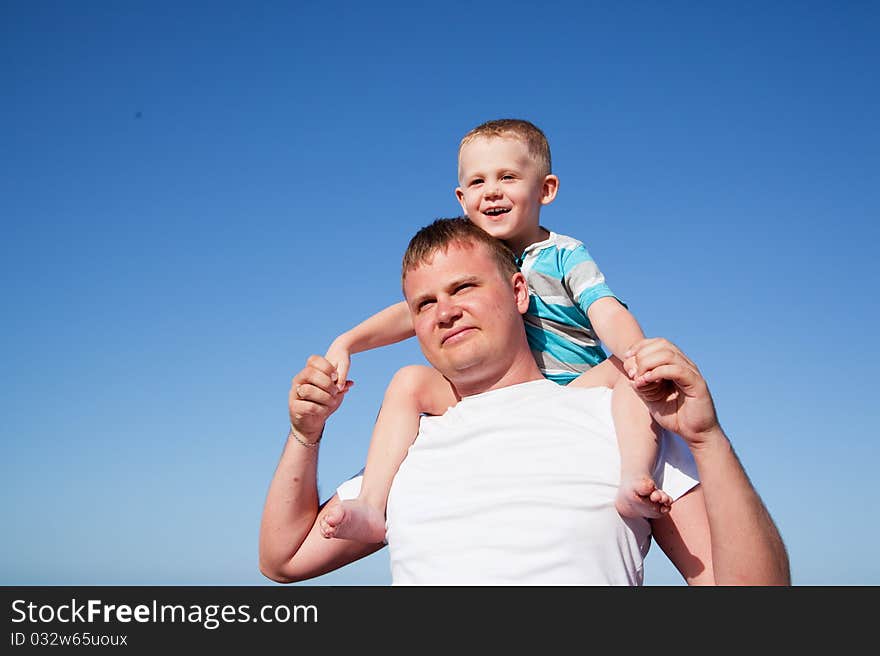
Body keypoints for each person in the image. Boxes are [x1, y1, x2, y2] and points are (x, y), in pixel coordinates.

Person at [259, 217, 790, 585]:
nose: (445, 312)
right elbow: (283, 559)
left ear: (519, 292)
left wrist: (706, 438)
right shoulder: (406, 442)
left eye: (464, 287)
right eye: (425, 303)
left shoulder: (624, 415)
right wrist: (306, 435)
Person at [321, 119, 668, 545]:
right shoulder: (474, 260)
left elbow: (604, 308)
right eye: (478, 181)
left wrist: (637, 352)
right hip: (499, 396)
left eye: (508, 177)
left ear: (546, 189)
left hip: (574, 388)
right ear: (462, 199)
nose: (492, 190)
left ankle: (633, 475)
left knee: (626, 373)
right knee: (409, 382)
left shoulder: (563, 253)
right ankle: (373, 504)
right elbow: (415, 311)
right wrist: (347, 342)